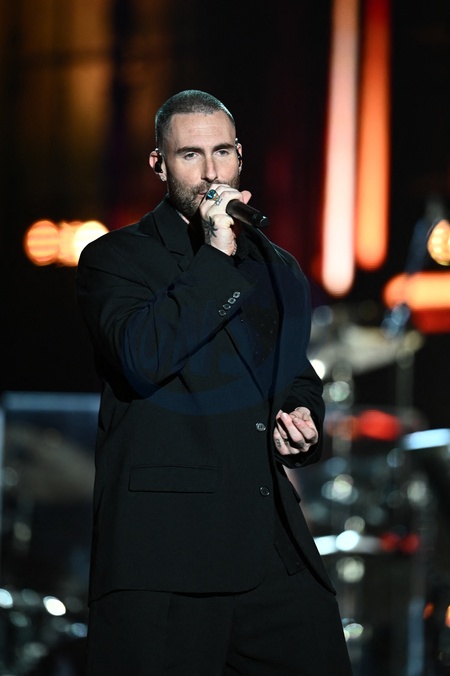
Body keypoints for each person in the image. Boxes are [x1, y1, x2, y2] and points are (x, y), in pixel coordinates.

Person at [76, 89, 352, 675]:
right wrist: (216, 253)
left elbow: (295, 373)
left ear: (240, 157)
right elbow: (142, 355)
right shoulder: (115, 258)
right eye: (190, 155)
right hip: (166, 555)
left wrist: (303, 416)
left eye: (222, 152)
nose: (210, 172)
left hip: (267, 544)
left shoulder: (276, 265)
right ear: (159, 164)